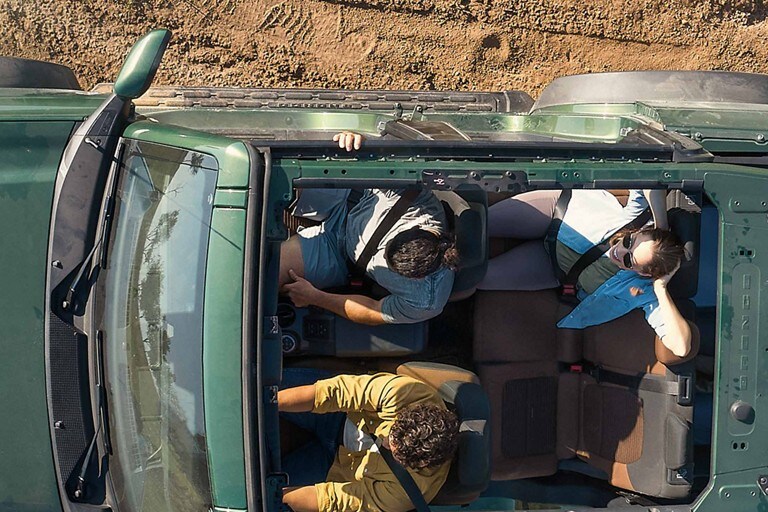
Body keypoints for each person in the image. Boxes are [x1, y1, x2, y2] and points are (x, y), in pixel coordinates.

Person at [478, 189, 692, 357]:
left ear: (644, 273)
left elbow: (681, 347)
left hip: (552, 266)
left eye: (629, 260)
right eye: (629, 241)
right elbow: (651, 177)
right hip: (557, 215)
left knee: (477, 278)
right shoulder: (636, 218)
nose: (620, 251)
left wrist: (661, 288)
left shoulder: (643, 290)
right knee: (478, 224)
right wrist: (661, 226)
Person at [279, 131, 458, 325]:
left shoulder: (426, 299)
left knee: (269, 270)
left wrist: (315, 297)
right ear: (415, 227)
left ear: (418, 277)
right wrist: (360, 141)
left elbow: (373, 310)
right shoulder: (414, 198)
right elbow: (382, 156)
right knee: (280, 175)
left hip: (339, 253)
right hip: (350, 199)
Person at [279, 370, 459, 512]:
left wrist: (267, 498)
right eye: (391, 436)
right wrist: (269, 401)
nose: (386, 444)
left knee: (272, 492)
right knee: (267, 385)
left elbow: (335, 500)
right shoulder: (405, 393)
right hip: (340, 415)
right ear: (406, 413)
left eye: (395, 453)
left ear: (422, 464)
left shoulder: (408, 492)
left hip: (335, 470)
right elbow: (334, 393)